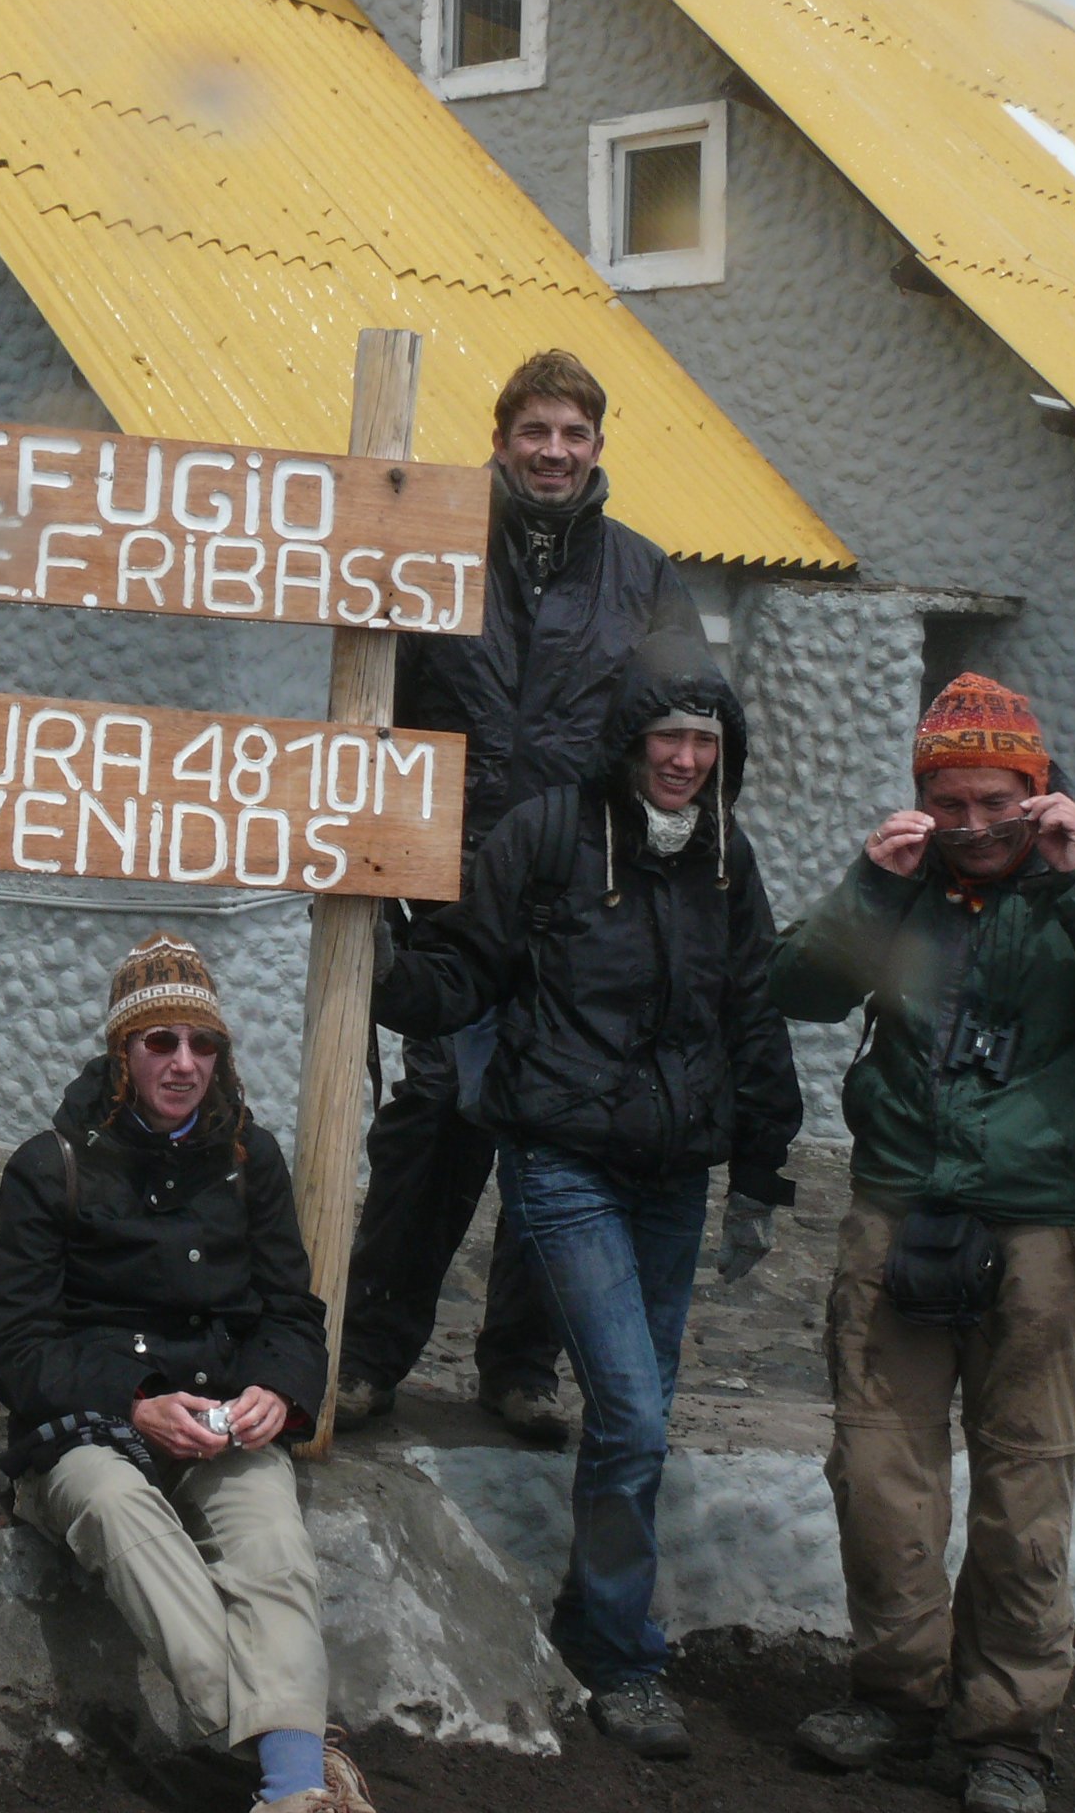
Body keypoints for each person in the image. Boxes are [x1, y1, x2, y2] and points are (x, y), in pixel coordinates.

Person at [370, 629, 800, 1757]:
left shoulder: (724, 858)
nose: (684, 760)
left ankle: (590, 1624)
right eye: (667, 736)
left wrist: (760, 1165)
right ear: (628, 739)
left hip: (674, 1174)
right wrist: (380, 969)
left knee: (634, 1418)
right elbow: (465, 965)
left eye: (704, 741)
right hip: (563, 1159)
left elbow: (750, 1011)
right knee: (632, 1410)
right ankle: (620, 1653)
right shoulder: (548, 835)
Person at [771, 674, 1075, 1813]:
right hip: (900, 1202)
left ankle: (1007, 1732)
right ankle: (896, 1696)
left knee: (1023, 1483)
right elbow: (796, 986)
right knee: (879, 1466)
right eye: (947, 803)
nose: (972, 826)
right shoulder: (904, 881)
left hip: (1048, 1218)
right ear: (921, 800)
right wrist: (867, 885)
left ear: (1036, 790)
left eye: (995, 800)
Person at [337, 347, 707, 1443]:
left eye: (573, 434)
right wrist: (380, 871)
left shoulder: (643, 578)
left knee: (560, 1136)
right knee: (433, 1126)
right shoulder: (433, 554)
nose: (553, 452)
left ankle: (520, 1369)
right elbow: (374, 713)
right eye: (534, 431)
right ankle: (365, 1357)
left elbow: (690, 729)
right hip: (447, 895)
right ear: (500, 439)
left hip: (584, 906)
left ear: (598, 447)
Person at [0, 934, 372, 1813]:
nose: (185, 1063)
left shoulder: (247, 1157)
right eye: (161, 1043)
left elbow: (291, 1313)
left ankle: (296, 1802)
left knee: (272, 1542)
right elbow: (8, 1345)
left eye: (205, 1045)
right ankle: (290, 1761)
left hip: (223, 1414)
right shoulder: (52, 1165)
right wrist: (133, 1402)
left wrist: (279, 1389)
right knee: (125, 1519)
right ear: (122, 1053)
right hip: (91, 1421)